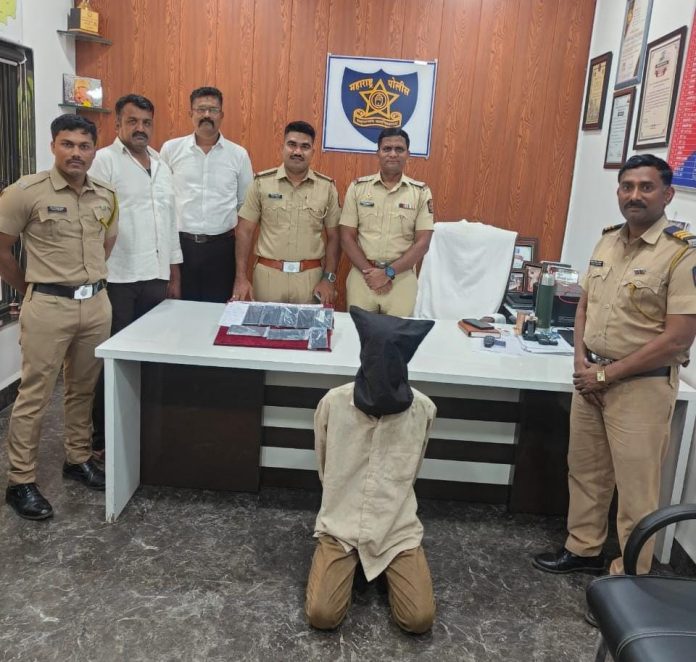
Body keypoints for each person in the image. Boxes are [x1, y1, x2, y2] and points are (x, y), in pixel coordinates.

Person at [533, 154, 696, 584]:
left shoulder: (682, 254)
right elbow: (584, 305)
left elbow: (677, 340)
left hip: (639, 388)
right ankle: (582, 548)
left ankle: (631, 580)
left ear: (667, 194)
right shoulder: (607, 241)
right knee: (586, 472)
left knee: (636, 490)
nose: (634, 195)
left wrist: (606, 375)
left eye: (646, 187)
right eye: (627, 187)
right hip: (591, 379)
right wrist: (580, 360)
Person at [0, 114, 118, 520]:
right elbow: (2, 248)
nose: (76, 153)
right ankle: (20, 481)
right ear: (53, 146)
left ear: (94, 151)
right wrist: (30, 288)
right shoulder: (25, 192)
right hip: (48, 306)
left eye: (84, 146)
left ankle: (77, 458)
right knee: (34, 395)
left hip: (96, 305)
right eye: (68, 144)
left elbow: (107, 243)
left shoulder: (106, 195)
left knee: (83, 389)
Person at [306, 307, 437, 633]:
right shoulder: (334, 403)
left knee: (419, 619)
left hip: (396, 528)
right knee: (322, 615)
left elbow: (414, 468)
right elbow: (324, 464)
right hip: (341, 524)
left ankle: (384, 565)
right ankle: (347, 562)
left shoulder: (422, 410)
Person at [88, 93, 183, 455]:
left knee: (151, 355)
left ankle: (141, 429)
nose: (140, 128)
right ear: (118, 124)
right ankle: (103, 438)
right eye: (132, 121)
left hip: (156, 277)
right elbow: (93, 220)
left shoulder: (160, 164)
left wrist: (174, 275)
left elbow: (170, 223)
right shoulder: (104, 162)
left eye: (146, 122)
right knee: (114, 358)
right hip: (118, 278)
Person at [160, 86, 253, 303]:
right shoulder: (171, 150)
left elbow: (245, 209)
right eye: (201, 109)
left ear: (222, 115)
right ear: (190, 113)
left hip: (222, 250)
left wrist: (241, 274)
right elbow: (163, 204)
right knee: (178, 311)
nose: (207, 115)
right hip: (181, 248)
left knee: (218, 313)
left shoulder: (238, 155)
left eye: (213, 110)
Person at [232, 121, 340, 305]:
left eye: (305, 146)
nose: (297, 151)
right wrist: (240, 277)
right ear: (282, 147)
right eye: (292, 144)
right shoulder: (261, 183)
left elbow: (335, 237)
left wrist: (328, 279)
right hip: (269, 277)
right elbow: (244, 231)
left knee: (307, 325)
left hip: (310, 279)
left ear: (313, 152)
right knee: (266, 324)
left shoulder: (327, 188)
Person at [339, 128, 434, 316]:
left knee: (398, 333)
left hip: (401, 278)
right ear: (378, 153)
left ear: (408, 154)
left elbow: (423, 243)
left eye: (399, 149)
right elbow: (346, 237)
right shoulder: (358, 188)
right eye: (387, 149)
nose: (393, 154)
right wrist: (372, 273)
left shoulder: (421, 193)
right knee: (357, 332)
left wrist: (388, 273)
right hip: (363, 276)